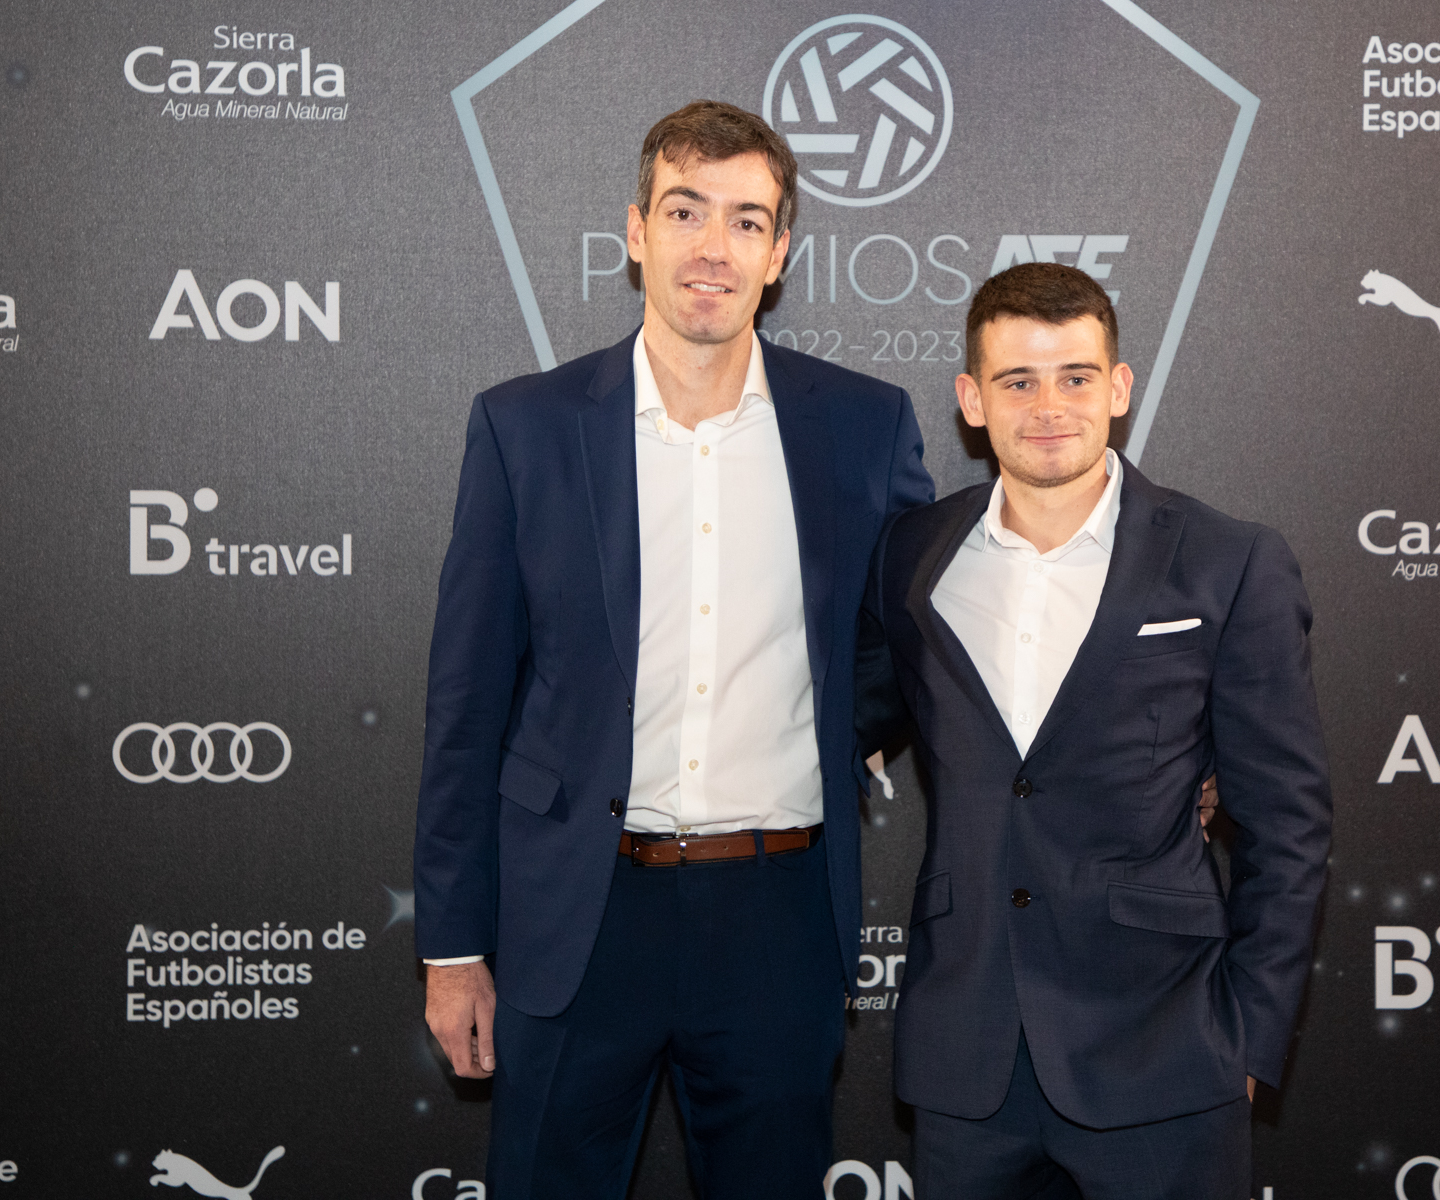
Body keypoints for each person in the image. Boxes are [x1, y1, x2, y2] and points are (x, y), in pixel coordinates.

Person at [413, 100, 933, 1199]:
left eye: (747, 221)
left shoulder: (864, 424)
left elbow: (906, 640)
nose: (714, 248)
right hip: (579, 914)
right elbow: (467, 705)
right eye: (686, 211)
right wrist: (453, 946)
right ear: (636, 230)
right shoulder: (525, 427)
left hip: (779, 917)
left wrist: (838, 731)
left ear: (779, 253)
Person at [856, 263, 1332, 1199]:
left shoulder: (1228, 560)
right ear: (971, 401)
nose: (1048, 407)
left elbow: (1289, 824)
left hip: (1165, 1050)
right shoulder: (912, 556)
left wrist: (1247, 1039)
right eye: (1017, 381)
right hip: (968, 1057)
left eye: (1075, 377)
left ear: (1118, 388)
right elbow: (843, 714)